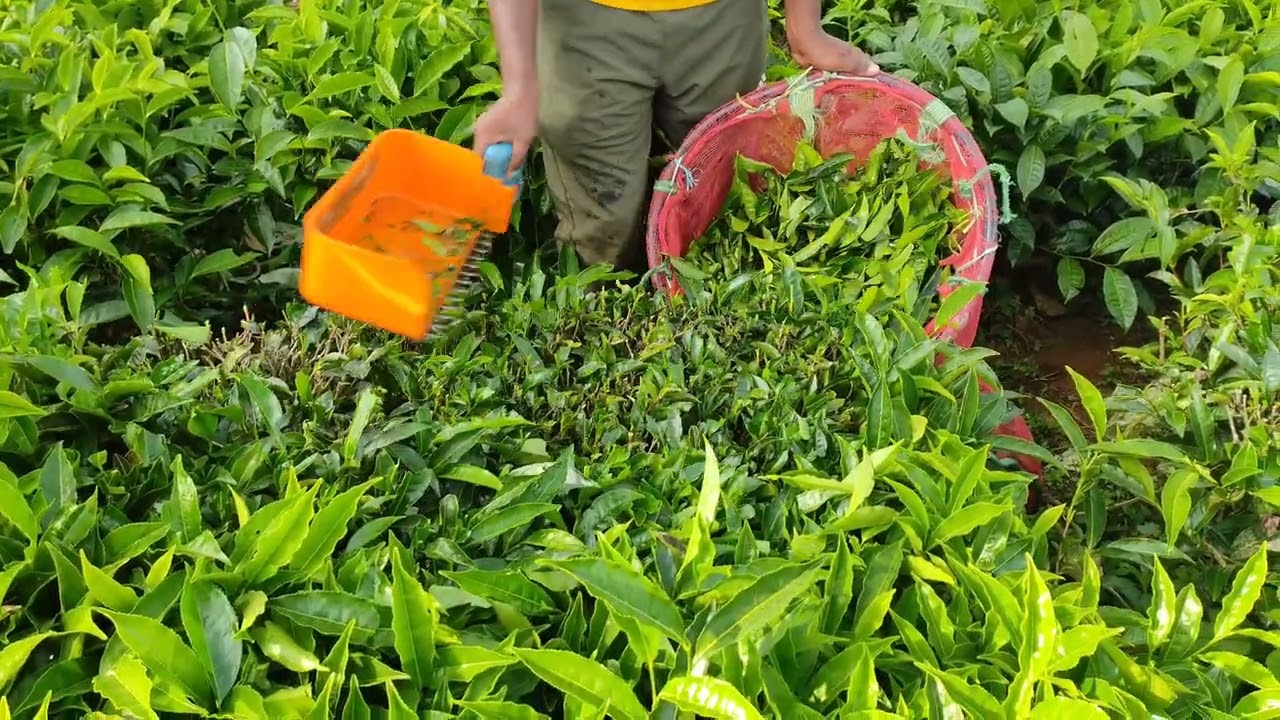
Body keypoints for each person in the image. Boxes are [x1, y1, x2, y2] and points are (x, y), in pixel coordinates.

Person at [472, 0, 880, 272]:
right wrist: (520, 88)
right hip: (584, 19)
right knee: (603, 224)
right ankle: (601, 319)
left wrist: (805, 27)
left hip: (722, 18)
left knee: (723, 191)